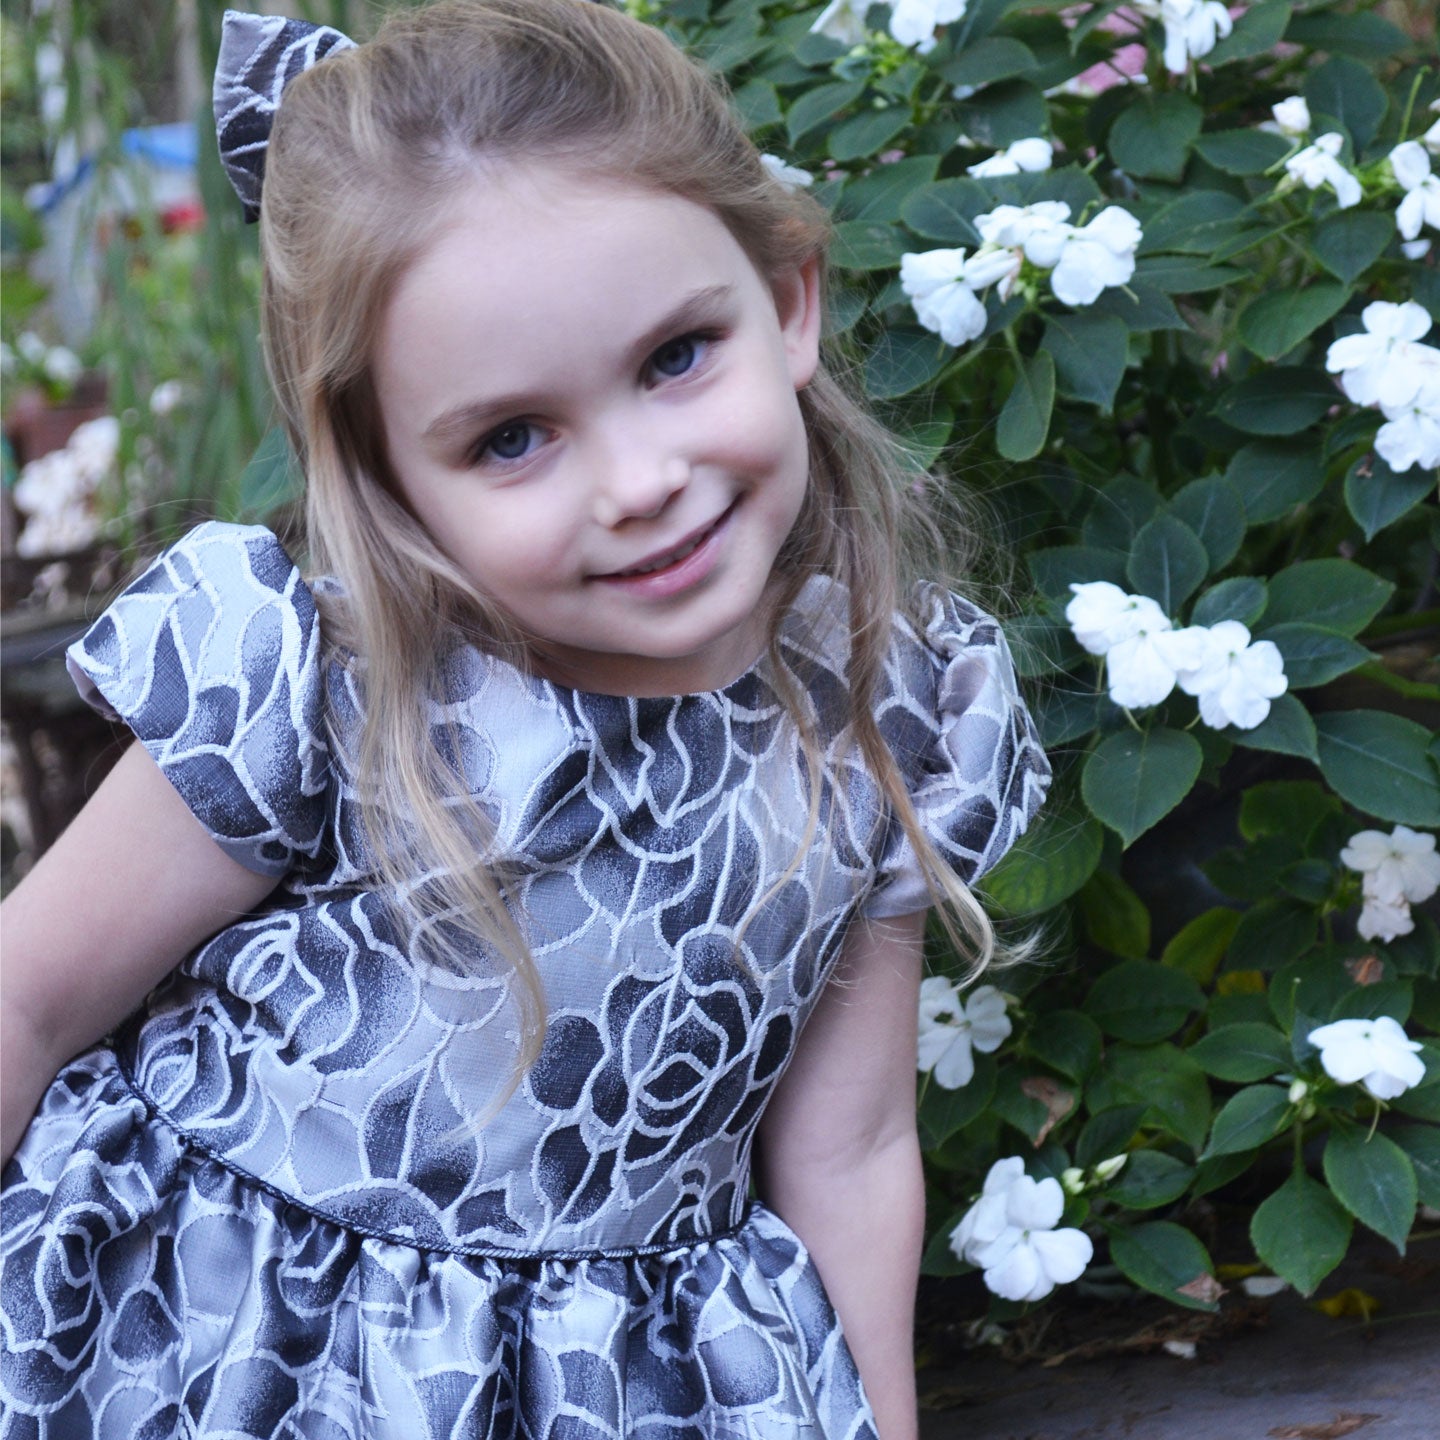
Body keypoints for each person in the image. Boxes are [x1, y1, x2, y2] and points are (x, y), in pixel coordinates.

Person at [0, 2, 1050, 1435]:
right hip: (229, 1355)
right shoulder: (326, 680)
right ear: (382, 475)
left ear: (788, 300)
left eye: (678, 356)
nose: (636, 481)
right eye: (511, 437)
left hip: (621, 1386)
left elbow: (853, 1150)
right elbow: (28, 994)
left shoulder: (888, 706)